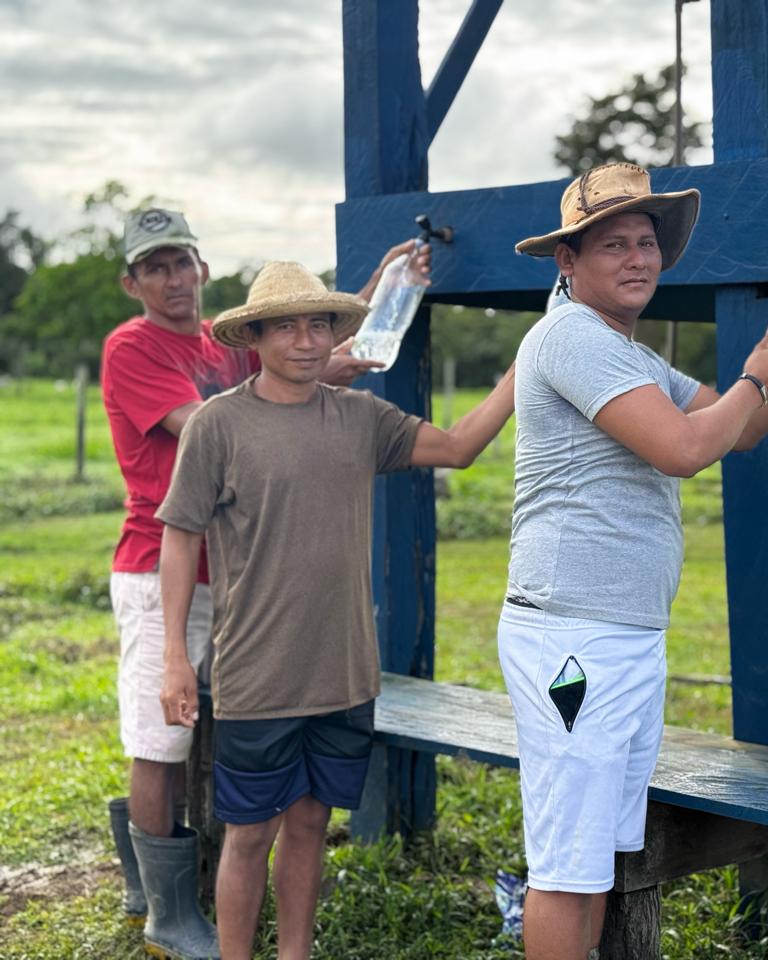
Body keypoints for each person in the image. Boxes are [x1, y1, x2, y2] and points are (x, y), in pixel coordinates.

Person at [501, 161, 768, 960]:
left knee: (594, 859)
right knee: (567, 866)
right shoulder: (571, 338)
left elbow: (739, 427)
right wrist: (757, 377)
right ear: (568, 260)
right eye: (614, 244)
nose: (638, 258)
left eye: (647, 242)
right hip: (573, 638)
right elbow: (685, 449)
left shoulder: (631, 355)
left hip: (619, 633)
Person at [154, 260, 515, 960]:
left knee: (312, 824)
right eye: (286, 327)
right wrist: (174, 657)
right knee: (248, 834)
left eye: (319, 325)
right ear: (255, 337)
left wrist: (520, 371)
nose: (306, 341)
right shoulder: (218, 426)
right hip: (257, 676)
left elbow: (459, 448)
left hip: (344, 673)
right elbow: (179, 537)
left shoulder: (361, 418)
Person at [100, 207, 428, 956]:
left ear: (203, 268)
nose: (174, 279)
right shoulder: (134, 347)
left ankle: (209, 891)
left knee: (225, 745)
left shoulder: (220, 348)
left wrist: (375, 291)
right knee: (160, 739)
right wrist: (320, 375)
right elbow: (219, 422)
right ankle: (163, 906)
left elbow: (292, 359)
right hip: (160, 561)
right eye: (155, 268)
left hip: (244, 570)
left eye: (182, 262)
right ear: (132, 283)